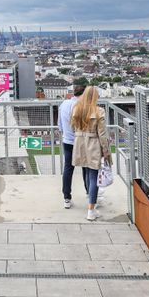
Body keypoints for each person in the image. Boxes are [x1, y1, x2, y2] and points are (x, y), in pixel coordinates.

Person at [70, 86, 111, 222]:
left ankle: (91, 205)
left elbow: (72, 127)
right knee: (93, 176)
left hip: (79, 143)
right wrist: (106, 151)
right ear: (94, 97)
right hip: (93, 144)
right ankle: (91, 210)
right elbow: (103, 134)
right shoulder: (99, 111)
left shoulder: (76, 109)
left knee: (87, 173)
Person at [57, 81, 86, 209]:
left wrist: (66, 134)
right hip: (82, 140)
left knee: (68, 169)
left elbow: (59, 125)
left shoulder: (64, 103)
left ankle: (66, 198)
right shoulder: (83, 106)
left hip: (67, 140)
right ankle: (90, 194)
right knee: (87, 167)